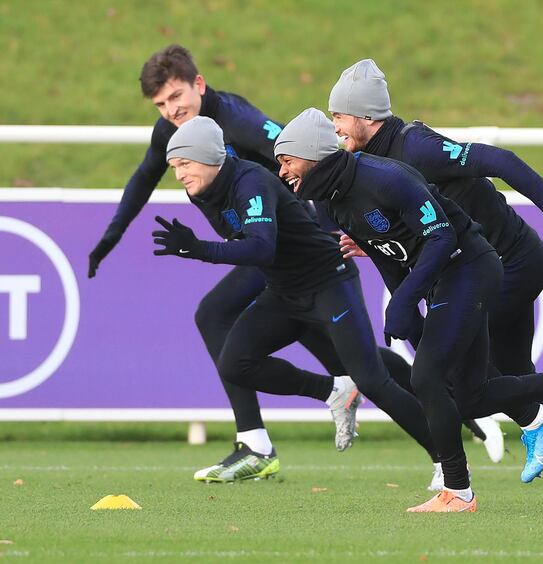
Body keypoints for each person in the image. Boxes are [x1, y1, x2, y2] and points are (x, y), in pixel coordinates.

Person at [273, 107, 543, 513]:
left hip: (480, 263)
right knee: (469, 392)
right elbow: (389, 252)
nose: (282, 172)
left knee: (433, 377)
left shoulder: (398, 162)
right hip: (457, 269)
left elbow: (447, 228)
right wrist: (408, 318)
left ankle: (465, 482)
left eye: (286, 161)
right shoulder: (333, 199)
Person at [86, 45, 415, 482]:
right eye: (160, 104)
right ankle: (444, 400)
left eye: (175, 97)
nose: (170, 111)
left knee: (218, 314)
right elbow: (143, 178)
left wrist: (337, 218)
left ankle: (259, 442)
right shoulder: (174, 131)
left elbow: (310, 155)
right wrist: (111, 236)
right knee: (344, 353)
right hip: (269, 250)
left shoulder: (236, 120)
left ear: (199, 85)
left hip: (292, 244)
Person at [152, 116, 450, 480]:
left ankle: (445, 461)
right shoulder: (202, 189)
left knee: (372, 379)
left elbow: (261, 248)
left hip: (329, 283)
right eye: (174, 167)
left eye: (184, 163)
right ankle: (334, 389)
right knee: (235, 364)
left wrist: (199, 249)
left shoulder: (252, 182)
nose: (179, 174)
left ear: (208, 156)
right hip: (284, 292)